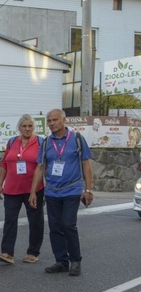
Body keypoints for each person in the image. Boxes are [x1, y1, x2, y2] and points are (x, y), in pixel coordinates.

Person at [29, 109, 93, 277]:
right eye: (49, 120)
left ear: (63, 120)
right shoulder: (45, 143)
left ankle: (76, 260)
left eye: (55, 120)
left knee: (68, 224)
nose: (52, 123)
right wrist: (33, 192)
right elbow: (39, 167)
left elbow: (86, 165)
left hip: (72, 190)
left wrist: (88, 190)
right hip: (52, 192)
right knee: (55, 227)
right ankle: (61, 261)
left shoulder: (77, 139)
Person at [0, 115, 45, 265]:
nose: (27, 129)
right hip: (12, 188)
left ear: (34, 127)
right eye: (24, 126)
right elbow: (4, 164)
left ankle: (33, 252)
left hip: (34, 189)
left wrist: (34, 191)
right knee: (10, 220)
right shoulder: (12, 142)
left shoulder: (40, 142)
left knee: (35, 221)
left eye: (30, 126)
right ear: (19, 127)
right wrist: (0, 185)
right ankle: (7, 252)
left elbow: (42, 165)